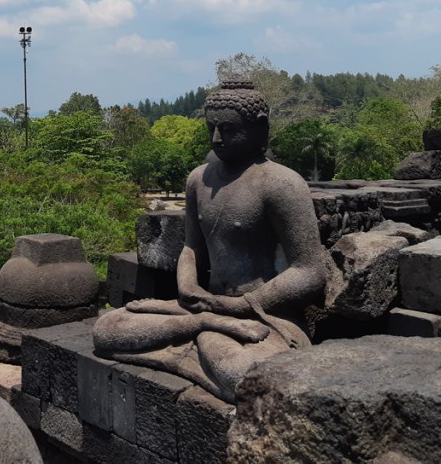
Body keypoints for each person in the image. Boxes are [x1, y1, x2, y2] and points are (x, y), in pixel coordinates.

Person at [92, 79, 327, 402]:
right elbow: (192, 247)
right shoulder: (198, 179)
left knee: (249, 375)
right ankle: (201, 329)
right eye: (211, 127)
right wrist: (188, 286)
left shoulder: (282, 185)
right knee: (108, 328)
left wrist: (244, 304)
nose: (217, 138)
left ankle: (195, 342)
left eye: (228, 129)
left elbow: (309, 270)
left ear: (259, 128)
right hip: (204, 307)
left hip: (263, 318)